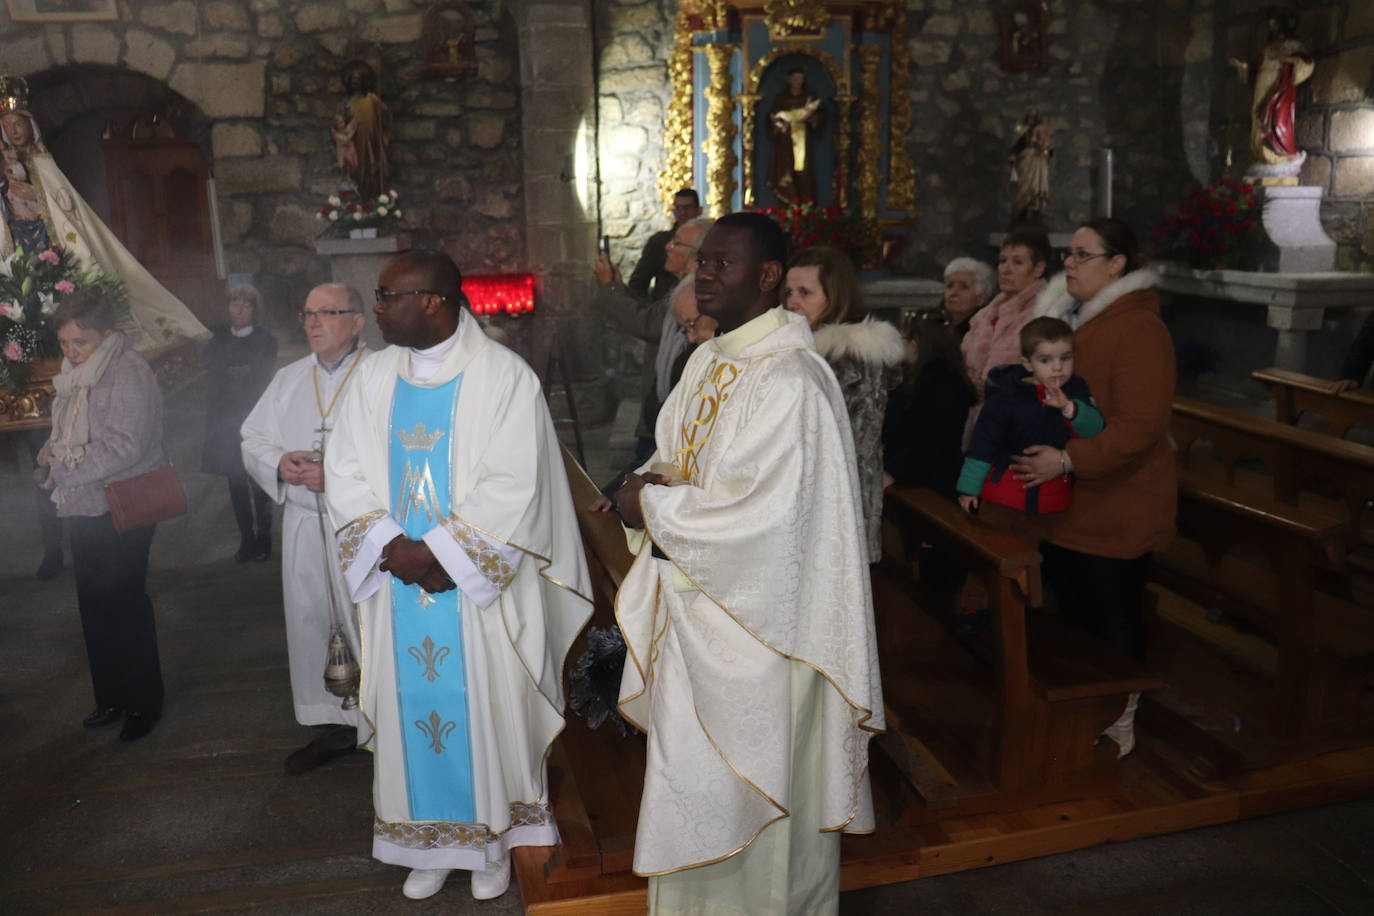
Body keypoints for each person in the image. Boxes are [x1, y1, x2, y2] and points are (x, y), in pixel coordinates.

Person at [614, 213, 883, 914]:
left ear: (767, 278)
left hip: (763, 639)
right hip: (695, 617)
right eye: (702, 262)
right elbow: (676, 457)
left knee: (754, 801)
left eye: (722, 265)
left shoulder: (792, 382)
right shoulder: (710, 359)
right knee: (693, 787)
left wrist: (651, 508)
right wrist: (645, 484)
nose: (704, 276)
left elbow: (768, 520)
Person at [324, 250, 591, 901]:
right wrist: (393, 546)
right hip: (398, 583)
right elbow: (346, 465)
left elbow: (516, 483)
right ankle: (429, 840)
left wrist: (442, 554)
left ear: (434, 302)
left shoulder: (504, 377)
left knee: (488, 703)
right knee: (415, 705)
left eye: (389, 296)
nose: (377, 308)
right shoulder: (372, 377)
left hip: (476, 591)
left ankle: (493, 840)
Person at [1015, 218, 1175, 757]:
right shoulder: (1078, 318)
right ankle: (1087, 709)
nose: (1069, 263)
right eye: (1068, 254)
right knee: (1078, 617)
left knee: (1113, 616)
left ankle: (1121, 716)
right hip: (1073, 504)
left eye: (1083, 255)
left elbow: (1140, 425)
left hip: (1119, 502)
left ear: (1117, 264)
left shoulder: (1138, 328)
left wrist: (1068, 458)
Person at [240, 283, 369, 775]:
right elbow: (252, 436)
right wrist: (279, 461)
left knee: (366, 623)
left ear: (357, 321)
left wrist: (332, 474)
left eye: (327, 313)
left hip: (362, 526)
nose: (313, 323)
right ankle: (334, 725)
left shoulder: (380, 375)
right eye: (307, 313)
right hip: (303, 523)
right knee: (313, 622)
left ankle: (384, 724)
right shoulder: (289, 378)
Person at [36, 291, 168, 742]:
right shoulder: (76, 374)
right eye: (65, 343)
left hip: (120, 504)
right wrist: (46, 459)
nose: (71, 352)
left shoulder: (129, 372)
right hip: (82, 506)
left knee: (125, 604)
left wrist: (63, 469)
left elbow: (126, 446)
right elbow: (61, 434)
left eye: (80, 342)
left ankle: (143, 703)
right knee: (93, 605)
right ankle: (110, 696)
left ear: (107, 334)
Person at [0, 79, 206, 351]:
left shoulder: (42, 161)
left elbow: (62, 200)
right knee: (25, 291)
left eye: (18, 124)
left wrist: (31, 193)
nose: (14, 131)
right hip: (19, 237)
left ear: (30, 125)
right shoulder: (6, 163)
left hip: (50, 237)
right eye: (7, 126)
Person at [784, 245, 904, 563]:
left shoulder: (853, 359)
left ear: (834, 296)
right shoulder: (797, 346)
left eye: (805, 293)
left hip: (836, 503)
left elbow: (854, 445)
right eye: (789, 292)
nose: (793, 302)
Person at [594, 216, 714, 465]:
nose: (668, 247)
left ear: (696, 256)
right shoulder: (682, 288)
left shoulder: (696, 295)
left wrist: (609, 288)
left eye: (677, 244)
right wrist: (618, 288)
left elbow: (647, 322)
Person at [957, 317, 1104, 517]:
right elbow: (982, 443)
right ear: (1027, 363)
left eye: (1066, 358)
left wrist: (1070, 408)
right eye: (1045, 360)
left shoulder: (1076, 390)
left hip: (1055, 499)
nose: (1058, 367)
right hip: (1004, 496)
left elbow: (1095, 431)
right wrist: (968, 489)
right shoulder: (1006, 395)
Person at [203, 286, 278, 562]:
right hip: (226, 420)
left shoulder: (265, 339)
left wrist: (249, 372)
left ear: (254, 310)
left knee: (259, 480)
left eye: (245, 305)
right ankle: (246, 538)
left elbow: (265, 369)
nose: (239, 309)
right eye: (234, 303)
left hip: (255, 416)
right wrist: (225, 373)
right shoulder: (218, 339)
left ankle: (264, 537)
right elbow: (210, 366)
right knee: (235, 481)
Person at [882, 311, 976, 500]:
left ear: (915, 345)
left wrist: (895, 472)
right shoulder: (913, 378)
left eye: (903, 338)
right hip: (913, 480)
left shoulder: (944, 383)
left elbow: (933, 442)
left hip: (931, 486)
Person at [1228, 9, 1312, 167]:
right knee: (1257, 114)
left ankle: (1279, 152)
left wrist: (1291, 59)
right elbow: (1254, 68)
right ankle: (1260, 151)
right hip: (1261, 81)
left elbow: (1306, 62)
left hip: (1277, 82)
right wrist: (1241, 66)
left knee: (1275, 114)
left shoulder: (1293, 45)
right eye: (1270, 25)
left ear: (1283, 25)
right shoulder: (1266, 47)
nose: (1273, 27)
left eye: (1275, 24)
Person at [627, 188, 702, 302]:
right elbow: (638, 283)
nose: (682, 213)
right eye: (678, 208)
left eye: (687, 208)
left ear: (698, 210)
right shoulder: (659, 242)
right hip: (665, 306)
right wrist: (648, 311)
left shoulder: (708, 240)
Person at [767, 68, 825, 204]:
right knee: (785, 169)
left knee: (803, 170)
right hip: (786, 139)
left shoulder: (809, 97)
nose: (798, 81)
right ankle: (788, 202)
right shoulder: (781, 98)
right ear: (789, 80)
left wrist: (810, 118)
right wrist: (779, 124)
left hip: (802, 138)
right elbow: (773, 117)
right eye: (795, 78)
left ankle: (804, 204)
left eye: (800, 78)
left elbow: (818, 117)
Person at [941, 256, 996, 338]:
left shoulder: (987, 332)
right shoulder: (932, 323)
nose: (954, 292)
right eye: (950, 286)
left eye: (964, 287)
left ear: (981, 298)